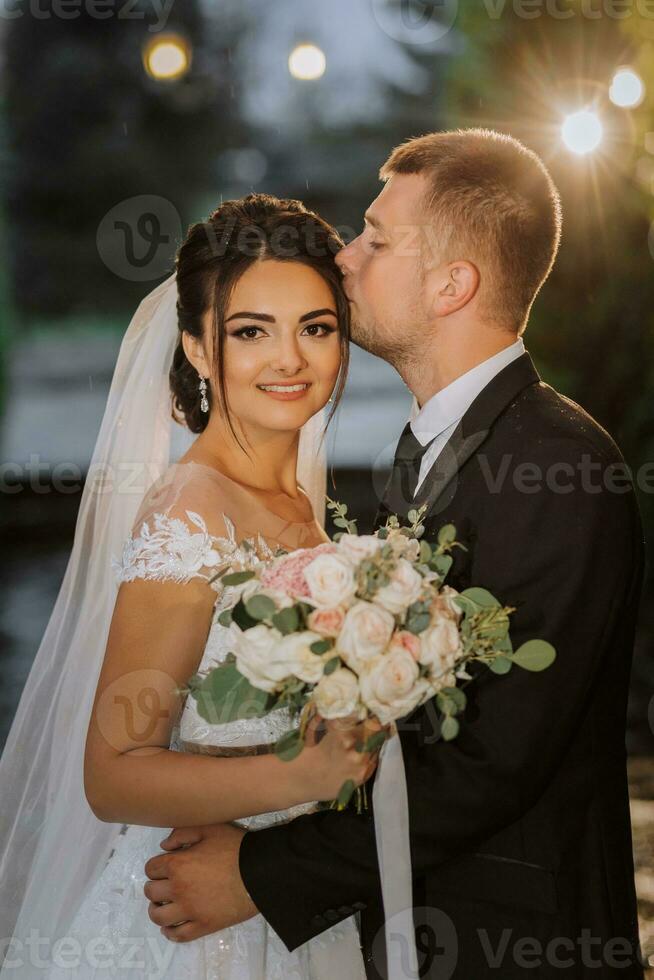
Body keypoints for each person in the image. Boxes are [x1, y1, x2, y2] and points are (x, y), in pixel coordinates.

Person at [143, 130, 646, 979]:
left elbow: (489, 766)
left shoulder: (561, 468)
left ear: (454, 283)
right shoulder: (427, 450)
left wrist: (260, 874)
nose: (344, 255)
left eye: (377, 238)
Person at [0, 194, 380, 979]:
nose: (290, 360)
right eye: (250, 332)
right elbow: (112, 774)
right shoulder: (193, 514)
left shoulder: (299, 506)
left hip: (285, 901)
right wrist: (300, 775)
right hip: (199, 931)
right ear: (198, 350)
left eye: (316, 327)